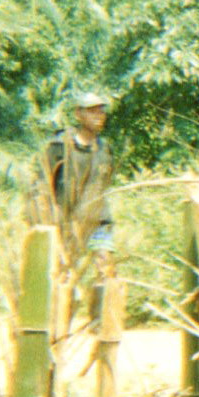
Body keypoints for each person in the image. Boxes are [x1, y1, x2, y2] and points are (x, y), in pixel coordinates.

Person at [28, 91, 117, 272]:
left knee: (106, 273)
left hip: (97, 222)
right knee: (63, 276)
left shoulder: (104, 149)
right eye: (92, 111)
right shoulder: (59, 147)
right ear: (79, 114)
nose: (99, 116)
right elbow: (41, 189)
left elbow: (104, 184)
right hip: (64, 224)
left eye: (101, 111)